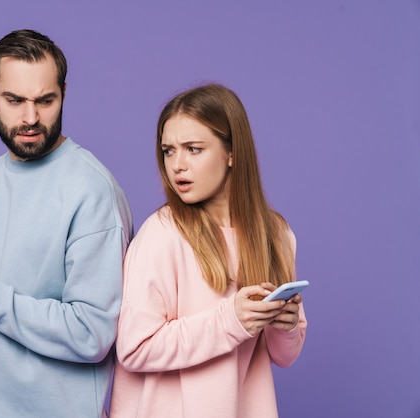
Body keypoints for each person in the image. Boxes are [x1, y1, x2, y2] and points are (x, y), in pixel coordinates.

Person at [0, 29, 134, 418]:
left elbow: (93, 335)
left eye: (45, 100)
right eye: (14, 100)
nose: (30, 118)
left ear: (64, 93)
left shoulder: (92, 192)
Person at [109, 84, 307, 418]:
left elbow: (285, 356)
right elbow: (134, 348)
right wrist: (231, 320)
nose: (177, 165)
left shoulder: (277, 234)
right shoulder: (162, 233)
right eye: (168, 151)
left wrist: (285, 326)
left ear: (232, 153)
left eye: (193, 149)